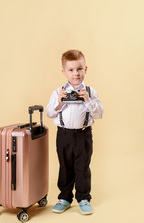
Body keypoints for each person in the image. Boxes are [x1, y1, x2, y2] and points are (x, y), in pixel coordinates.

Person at [46, 49, 103, 215]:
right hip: (63, 134)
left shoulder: (91, 92)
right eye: (71, 70)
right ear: (64, 72)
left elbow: (99, 114)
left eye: (79, 69)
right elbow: (50, 113)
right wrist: (59, 102)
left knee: (82, 166)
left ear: (85, 69)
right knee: (65, 166)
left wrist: (89, 101)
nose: (75, 74)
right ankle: (64, 197)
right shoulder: (58, 92)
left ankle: (84, 197)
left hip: (83, 134)